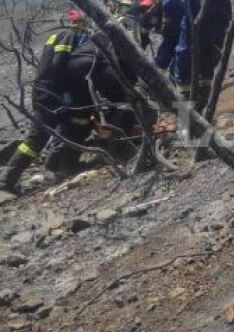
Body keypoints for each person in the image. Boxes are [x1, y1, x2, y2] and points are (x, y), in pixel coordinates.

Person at [0, 11, 138, 196]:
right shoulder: (70, 35)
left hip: (48, 91)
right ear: (81, 23)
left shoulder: (55, 36)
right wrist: (68, 90)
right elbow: (59, 64)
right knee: (37, 138)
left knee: (77, 125)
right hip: (54, 93)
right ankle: (6, 181)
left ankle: (64, 164)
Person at [154, 0, 234, 100]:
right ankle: (204, 100)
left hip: (196, 19)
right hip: (221, 18)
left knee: (185, 56)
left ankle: (185, 108)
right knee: (209, 57)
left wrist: (168, 19)